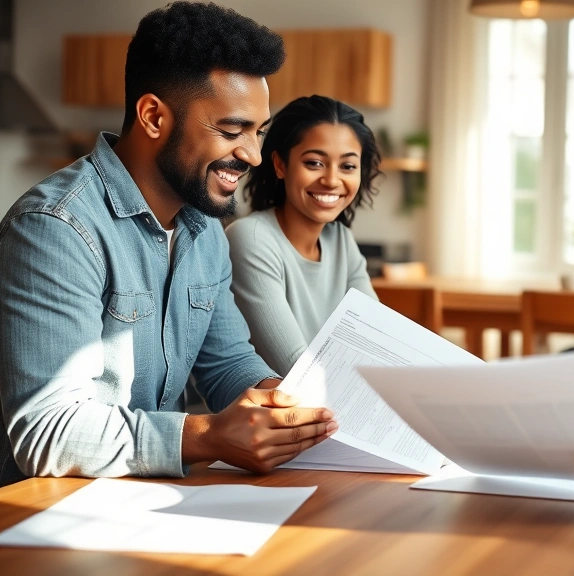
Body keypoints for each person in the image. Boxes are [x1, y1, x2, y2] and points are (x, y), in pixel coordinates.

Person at [0, 2, 337, 488]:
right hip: (48, 515)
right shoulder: (55, 228)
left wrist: (285, 404)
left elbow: (226, 363)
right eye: (232, 130)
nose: (254, 155)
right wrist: (207, 435)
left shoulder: (203, 230)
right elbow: (48, 432)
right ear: (154, 117)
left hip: (151, 499)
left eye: (259, 132)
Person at [226, 96, 381, 375]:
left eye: (347, 166)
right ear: (280, 165)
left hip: (334, 404)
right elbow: (297, 368)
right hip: (276, 412)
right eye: (314, 163)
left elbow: (376, 340)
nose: (332, 180)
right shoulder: (251, 239)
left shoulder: (341, 241)